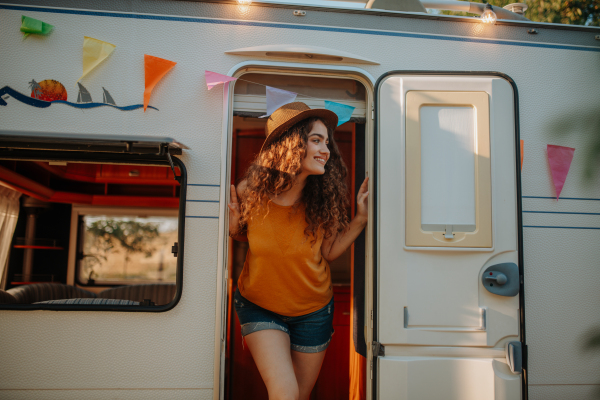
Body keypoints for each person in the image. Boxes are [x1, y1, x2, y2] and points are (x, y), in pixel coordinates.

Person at [228, 102, 369, 400]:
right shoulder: (248, 191)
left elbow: (329, 252)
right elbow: (246, 235)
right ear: (291, 144)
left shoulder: (324, 201)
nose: (326, 150)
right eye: (316, 140)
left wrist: (360, 219)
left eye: (326, 142)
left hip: (313, 312)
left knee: (299, 396)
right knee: (285, 393)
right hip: (259, 305)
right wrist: (231, 227)